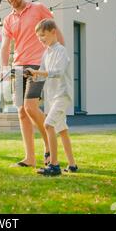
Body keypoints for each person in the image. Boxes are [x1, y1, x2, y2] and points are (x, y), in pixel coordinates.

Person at [1, 0, 65, 168]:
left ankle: (49, 146)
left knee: (30, 107)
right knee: (21, 112)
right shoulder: (8, 19)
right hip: (18, 66)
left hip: (38, 64)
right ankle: (29, 157)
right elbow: (5, 46)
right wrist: (5, 67)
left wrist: (63, 55)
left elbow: (55, 31)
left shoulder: (38, 9)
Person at [26, 19, 78, 176]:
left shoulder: (61, 51)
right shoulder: (46, 52)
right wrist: (32, 76)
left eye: (43, 35)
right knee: (62, 130)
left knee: (48, 125)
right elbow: (42, 74)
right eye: (38, 37)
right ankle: (72, 165)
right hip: (53, 97)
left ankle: (54, 166)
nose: (41, 39)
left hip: (62, 95)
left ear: (53, 32)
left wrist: (38, 73)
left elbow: (57, 72)